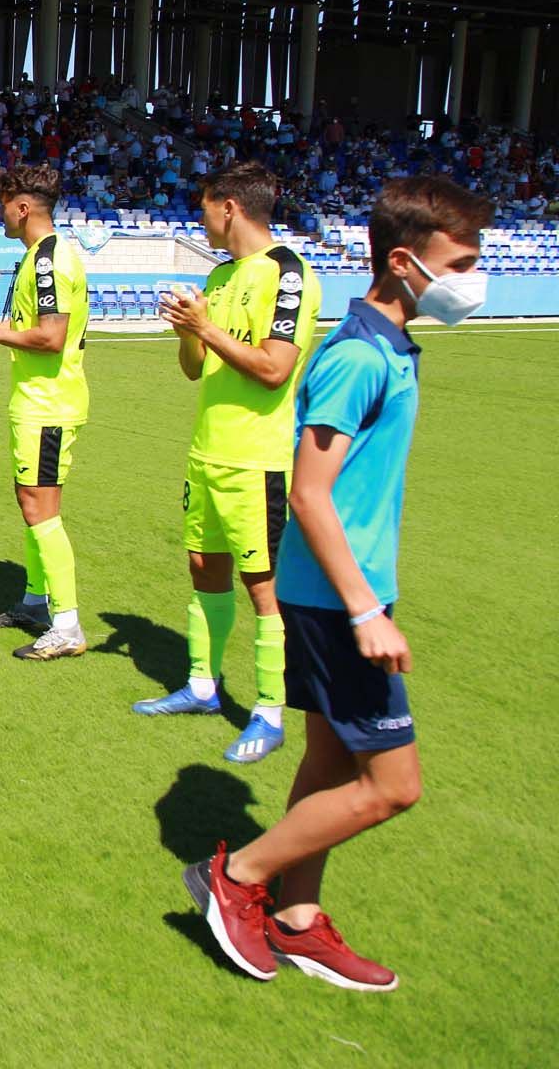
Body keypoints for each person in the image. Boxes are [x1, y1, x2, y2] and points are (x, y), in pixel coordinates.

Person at [188, 176, 492, 994]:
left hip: (349, 593)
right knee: (393, 784)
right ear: (403, 260)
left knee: (327, 761)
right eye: (461, 261)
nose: (473, 278)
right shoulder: (359, 355)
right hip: (333, 601)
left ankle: (296, 916)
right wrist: (364, 609)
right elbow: (310, 491)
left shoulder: (385, 345)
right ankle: (238, 875)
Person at [134, 163, 322, 766]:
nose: (202, 217)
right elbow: (195, 369)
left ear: (231, 208)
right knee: (202, 566)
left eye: (206, 206)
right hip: (207, 452)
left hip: (255, 458)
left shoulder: (287, 273)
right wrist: (189, 331)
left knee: (262, 584)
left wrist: (205, 327)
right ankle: (203, 686)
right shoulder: (219, 274)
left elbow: (273, 368)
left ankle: (269, 711)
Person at [0, 163, 91, 661]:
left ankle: (67, 624)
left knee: (41, 508)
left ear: (23, 206)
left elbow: (51, 337)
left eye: (3, 204)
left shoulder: (49, 260)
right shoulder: (36, 258)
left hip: (49, 403)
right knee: (30, 502)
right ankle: (34, 600)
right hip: (35, 400)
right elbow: (29, 326)